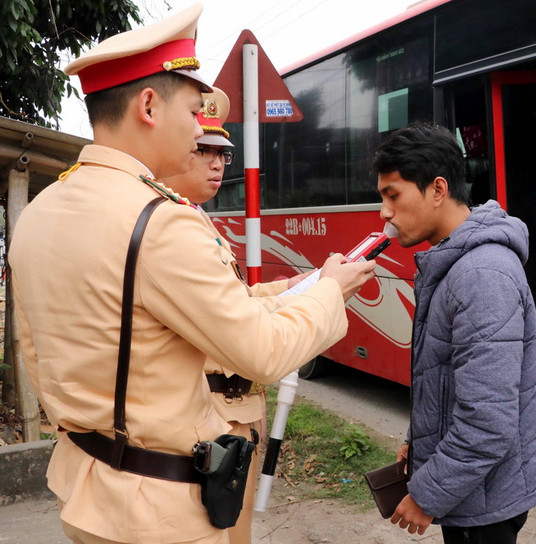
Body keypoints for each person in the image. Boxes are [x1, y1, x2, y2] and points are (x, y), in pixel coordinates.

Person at [7, 5, 376, 544]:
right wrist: (329, 291)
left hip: (84, 487)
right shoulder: (158, 221)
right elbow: (263, 352)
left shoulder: (41, 210)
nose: (198, 128)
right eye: (193, 109)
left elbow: (32, 349)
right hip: (159, 507)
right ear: (150, 106)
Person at [373, 122, 536, 543]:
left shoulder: (481, 274)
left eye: (393, 195)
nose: (384, 213)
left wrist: (427, 496)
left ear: (438, 190)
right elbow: (447, 378)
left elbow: (488, 421)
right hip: (475, 488)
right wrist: (419, 441)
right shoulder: (454, 261)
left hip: (487, 499)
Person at [162, 86, 285, 544]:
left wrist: (285, 290)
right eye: (204, 151)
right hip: (213, 414)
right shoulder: (172, 226)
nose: (216, 163)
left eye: (223, 154)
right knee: (223, 531)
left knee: (238, 529)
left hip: (238, 409)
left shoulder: (198, 220)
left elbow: (231, 299)